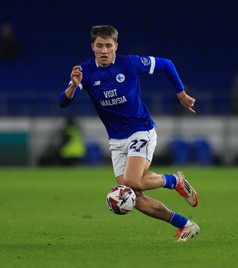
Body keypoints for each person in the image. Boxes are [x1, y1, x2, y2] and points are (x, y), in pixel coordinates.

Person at [58, 25, 199, 242]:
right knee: (136, 197)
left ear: (116, 46)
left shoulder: (130, 63)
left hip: (140, 130)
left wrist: (181, 94)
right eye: (99, 46)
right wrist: (73, 86)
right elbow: (63, 102)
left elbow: (166, 64)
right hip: (116, 140)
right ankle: (185, 224)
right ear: (92, 47)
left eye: (108, 46)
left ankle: (174, 181)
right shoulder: (84, 72)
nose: (104, 51)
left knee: (132, 182)